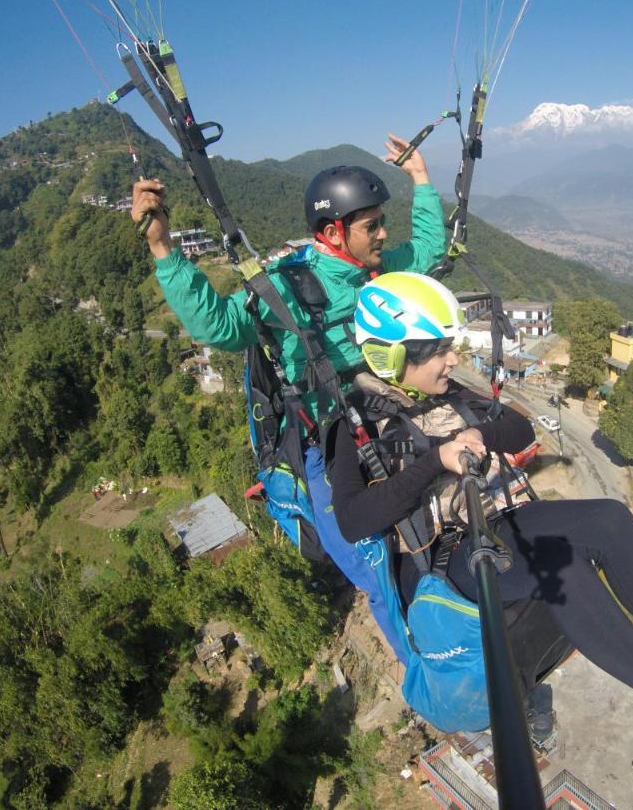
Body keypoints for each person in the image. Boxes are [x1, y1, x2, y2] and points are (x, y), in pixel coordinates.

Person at [327, 271, 633, 762]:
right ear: (392, 356)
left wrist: (479, 434)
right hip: (443, 563)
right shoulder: (351, 426)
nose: (453, 358)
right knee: (559, 567)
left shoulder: (447, 392)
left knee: (610, 518)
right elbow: (354, 521)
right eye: (440, 350)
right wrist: (435, 460)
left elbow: (520, 430)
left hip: (495, 524)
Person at [130, 137, 447, 660]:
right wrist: (163, 248)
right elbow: (221, 324)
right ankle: (427, 671)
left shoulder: (376, 270)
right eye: (372, 226)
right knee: (371, 559)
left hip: (374, 408)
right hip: (318, 439)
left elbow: (429, 251)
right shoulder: (289, 288)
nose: (384, 234)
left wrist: (420, 177)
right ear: (332, 232)